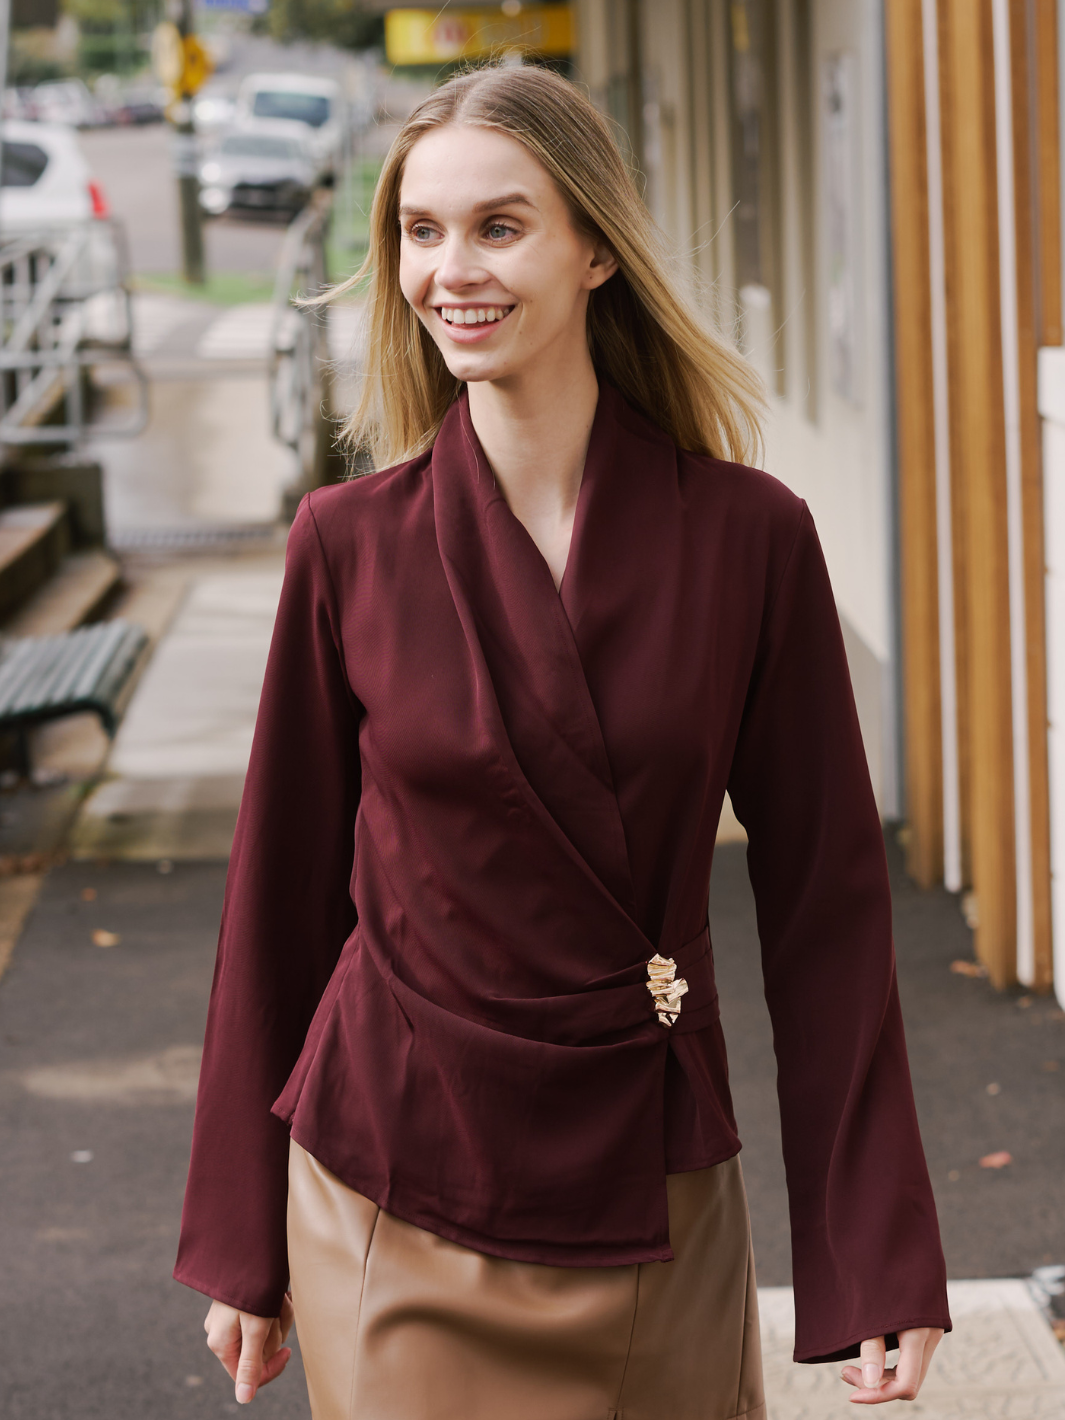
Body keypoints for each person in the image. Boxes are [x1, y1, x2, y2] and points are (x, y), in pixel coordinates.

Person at [175, 63, 951, 1419]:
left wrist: (873, 1250)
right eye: (422, 232)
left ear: (597, 249)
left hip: (655, 1170)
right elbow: (279, 902)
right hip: (389, 1178)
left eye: (500, 226)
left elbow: (826, 905)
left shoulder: (751, 540)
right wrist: (242, 1238)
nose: (452, 271)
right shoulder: (347, 545)